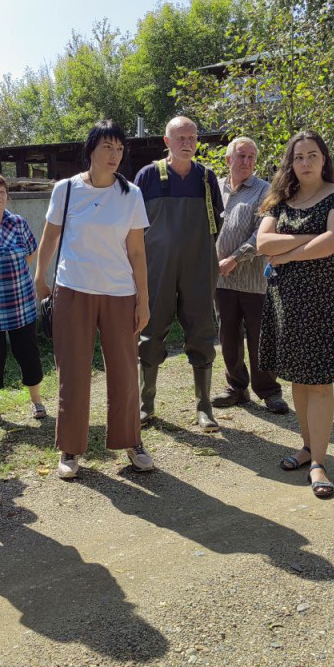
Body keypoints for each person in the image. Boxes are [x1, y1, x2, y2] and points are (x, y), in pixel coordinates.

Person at [34, 120, 152, 480]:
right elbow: (50, 237)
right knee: (73, 371)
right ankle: (70, 448)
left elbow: (137, 251)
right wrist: (40, 277)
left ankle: (131, 440)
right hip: (73, 289)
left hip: (119, 292)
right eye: (107, 147)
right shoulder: (67, 190)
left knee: (124, 371)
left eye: (119, 148)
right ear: (91, 150)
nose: (114, 155)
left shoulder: (131, 194)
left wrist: (144, 299)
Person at [257, 131, 334, 498]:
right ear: (291, 162)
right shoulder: (280, 198)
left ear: (323, 159)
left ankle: (319, 462)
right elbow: (263, 242)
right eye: (298, 157)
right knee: (298, 379)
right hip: (287, 299)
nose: (305, 163)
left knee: (318, 382)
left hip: (324, 300)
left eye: (312, 155)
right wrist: (311, 238)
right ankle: (307, 447)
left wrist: (285, 255)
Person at [135, 116, 224, 432]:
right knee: (150, 330)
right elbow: (133, 226)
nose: (187, 143)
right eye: (180, 138)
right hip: (156, 268)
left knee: (201, 331)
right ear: (167, 141)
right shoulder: (147, 176)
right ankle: (145, 405)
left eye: (192, 137)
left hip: (198, 265)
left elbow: (216, 223)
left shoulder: (206, 178)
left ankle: (204, 407)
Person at [210, 137, 289, 415]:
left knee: (260, 337)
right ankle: (236, 387)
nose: (247, 161)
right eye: (241, 156)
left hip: (255, 281)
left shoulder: (264, 190)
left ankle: (269, 391)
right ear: (228, 159)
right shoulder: (214, 187)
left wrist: (235, 258)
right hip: (220, 280)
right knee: (228, 336)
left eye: (251, 157)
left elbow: (262, 234)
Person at [0, 171, 45, 424]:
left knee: (28, 353)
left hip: (20, 301)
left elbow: (31, 252)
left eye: (3, 192)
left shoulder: (17, 222)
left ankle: (37, 401)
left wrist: (14, 274)